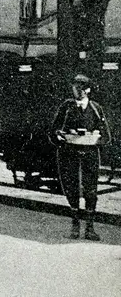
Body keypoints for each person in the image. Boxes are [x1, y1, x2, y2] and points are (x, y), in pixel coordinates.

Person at [51, 74, 112, 241]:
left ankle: (90, 229)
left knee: (91, 189)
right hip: (68, 153)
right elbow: (53, 131)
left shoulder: (95, 108)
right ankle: (75, 227)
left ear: (88, 90)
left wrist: (96, 138)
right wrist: (60, 137)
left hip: (90, 153)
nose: (78, 91)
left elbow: (106, 135)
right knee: (71, 187)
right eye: (75, 87)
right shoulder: (66, 107)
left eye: (81, 88)